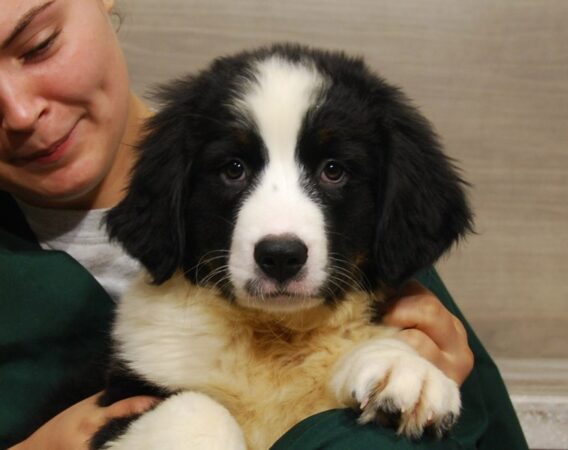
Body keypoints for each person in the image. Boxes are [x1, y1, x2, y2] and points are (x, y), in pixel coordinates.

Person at [0, 1, 528, 449]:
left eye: (41, 43)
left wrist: (410, 373)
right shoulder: (156, 292)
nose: (20, 112)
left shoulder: (390, 277)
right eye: (233, 169)